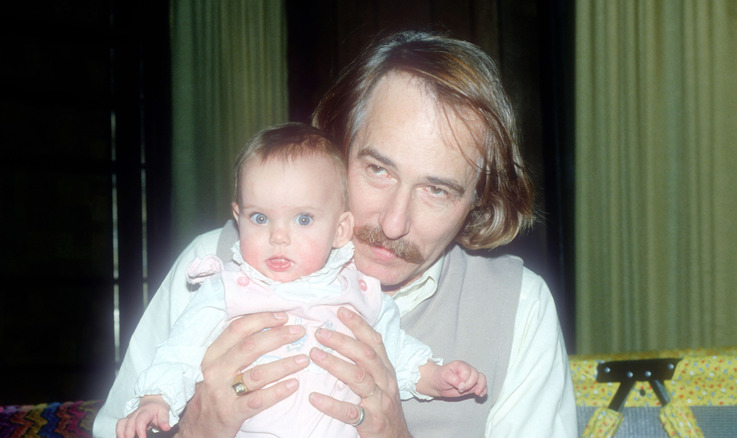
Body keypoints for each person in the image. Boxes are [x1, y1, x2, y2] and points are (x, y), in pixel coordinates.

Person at [95, 30, 577, 437]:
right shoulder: (215, 265)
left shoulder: (518, 309)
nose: (392, 223)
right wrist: (192, 431)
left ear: (477, 202)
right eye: (377, 169)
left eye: (437, 190)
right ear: (337, 144)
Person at [115, 123, 487, 438]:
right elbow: (180, 350)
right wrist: (155, 399)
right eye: (260, 218)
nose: (279, 236)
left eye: (303, 219)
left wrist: (435, 376)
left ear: (340, 229)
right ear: (238, 216)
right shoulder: (227, 288)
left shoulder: (358, 292)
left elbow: (395, 352)